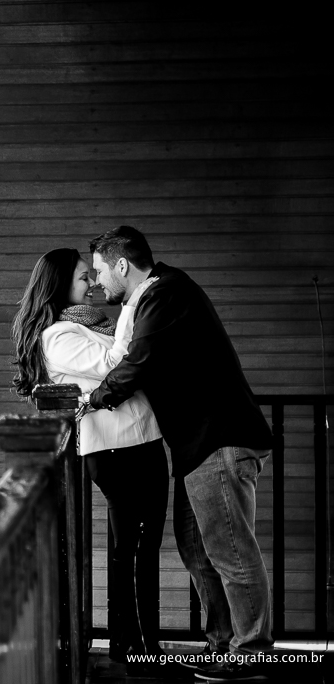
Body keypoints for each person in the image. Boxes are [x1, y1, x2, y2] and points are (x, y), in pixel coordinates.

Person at [87, 226, 274, 682]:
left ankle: (252, 653)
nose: (96, 284)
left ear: (122, 265)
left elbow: (139, 358)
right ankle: (223, 645)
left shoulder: (165, 293)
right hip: (199, 447)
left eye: (98, 272)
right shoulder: (159, 294)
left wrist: (93, 399)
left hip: (219, 440)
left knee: (231, 553)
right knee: (196, 551)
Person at [12, 247, 168, 666]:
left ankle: (143, 643)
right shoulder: (58, 337)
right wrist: (135, 303)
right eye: (84, 277)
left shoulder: (92, 324)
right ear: (60, 284)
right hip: (115, 448)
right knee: (129, 546)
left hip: (143, 440)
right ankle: (130, 645)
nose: (94, 285)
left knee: (144, 545)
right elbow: (118, 361)